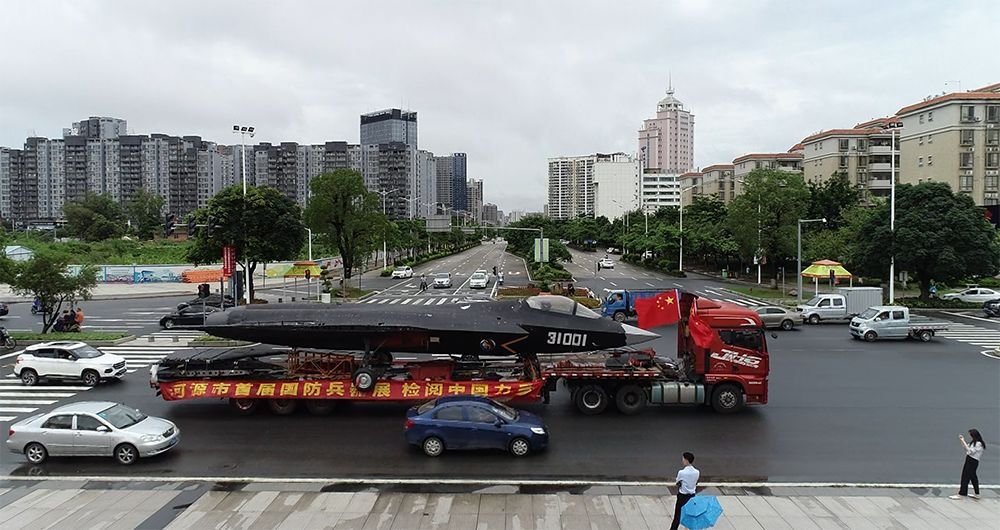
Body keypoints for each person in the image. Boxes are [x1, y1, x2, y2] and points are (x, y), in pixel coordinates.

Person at [951, 429, 986, 499]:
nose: (970, 436)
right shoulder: (974, 442)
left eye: (970, 435)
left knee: (965, 477)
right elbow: (966, 448)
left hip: (973, 461)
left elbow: (970, 451)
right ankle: (977, 494)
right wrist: (962, 441)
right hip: (969, 459)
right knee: (973, 477)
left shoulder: (979, 443)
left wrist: (963, 440)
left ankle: (962, 494)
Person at [670, 451, 700, 530]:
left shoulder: (682, 472)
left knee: (677, 516)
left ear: (686, 460)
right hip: (692, 496)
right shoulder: (697, 472)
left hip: (682, 496)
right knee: (690, 515)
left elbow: (677, 482)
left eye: (683, 459)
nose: (682, 460)